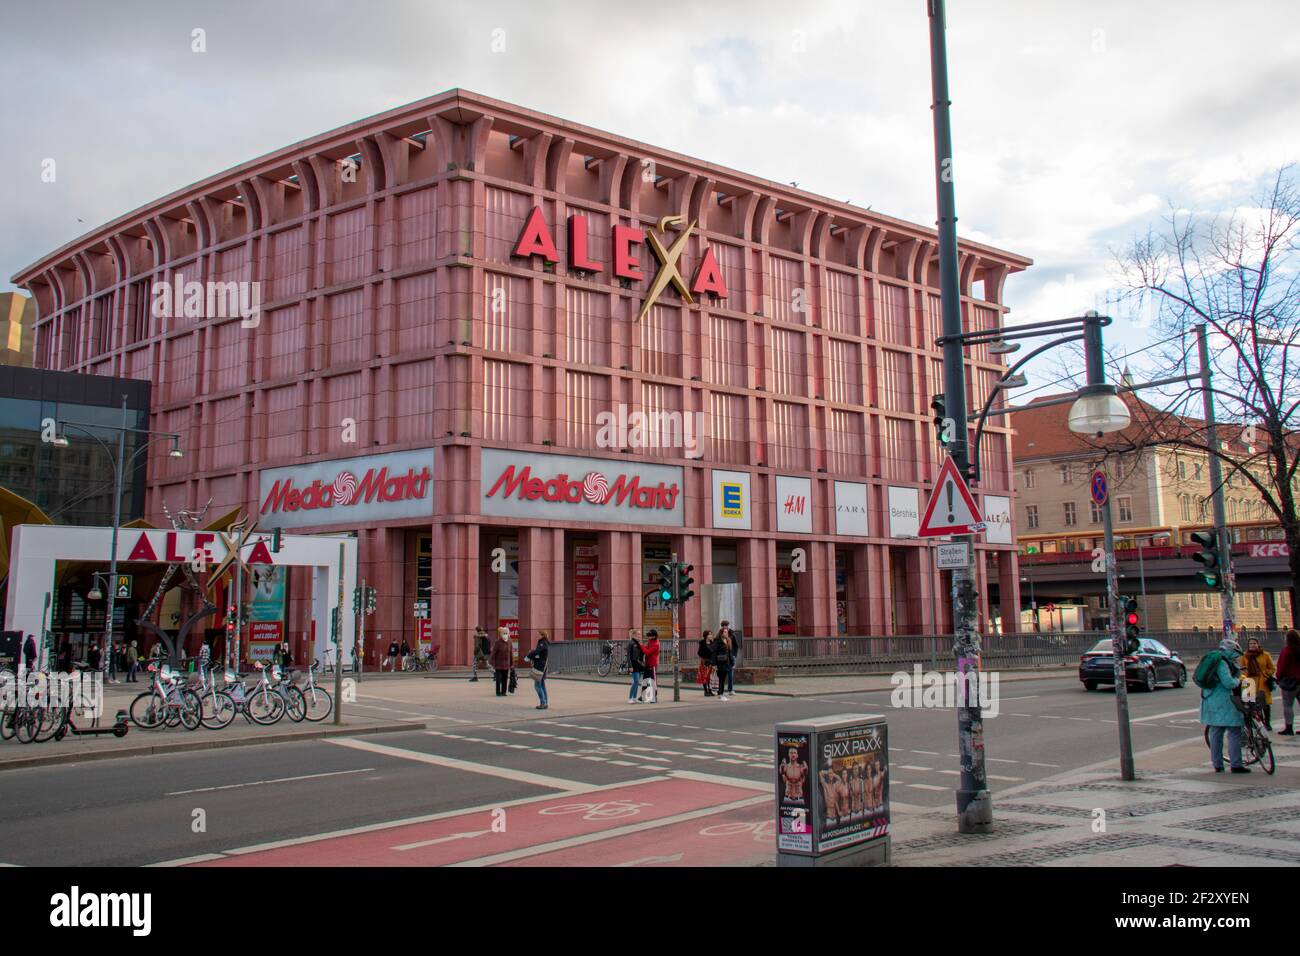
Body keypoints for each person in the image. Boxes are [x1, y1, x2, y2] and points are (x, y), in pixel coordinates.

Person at [1201, 637, 1249, 773]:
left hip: (1210, 700)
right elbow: (1228, 682)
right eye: (1235, 654)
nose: (1237, 657)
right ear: (1230, 651)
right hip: (1223, 700)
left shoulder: (1215, 659)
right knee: (1234, 731)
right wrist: (1237, 680)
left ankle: (1217, 764)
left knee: (1216, 733)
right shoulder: (1222, 662)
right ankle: (1236, 764)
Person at [1238, 636, 1276, 730]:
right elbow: (1241, 669)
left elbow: (1272, 668)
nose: (1252, 645)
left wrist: (1266, 675)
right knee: (1252, 704)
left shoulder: (1265, 655)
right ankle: (1260, 722)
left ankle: (1267, 722)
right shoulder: (1244, 656)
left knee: (1265, 703)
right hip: (1249, 681)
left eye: (1254, 643)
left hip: (1262, 680)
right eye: (1251, 644)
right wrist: (1243, 678)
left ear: (1258, 644)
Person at [1278, 629, 1300, 735]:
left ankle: (1289, 727)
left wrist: (1278, 678)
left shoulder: (1287, 650)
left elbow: (1282, 666)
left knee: (1288, 705)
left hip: (1290, 682)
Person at [525, 631, 550, 710]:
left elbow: (536, 652)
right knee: (542, 685)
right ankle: (545, 702)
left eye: (538, 634)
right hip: (542, 666)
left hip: (540, 667)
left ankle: (543, 703)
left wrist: (528, 656)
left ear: (542, 635)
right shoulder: (544, 642)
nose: (537, 636)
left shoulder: (542, 643)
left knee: (537, 686)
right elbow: (537, 653)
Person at [720, 620, 743, 695]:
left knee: (730, 673)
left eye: (726, 625)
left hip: (731, 656)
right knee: (722, 673)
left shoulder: (732, 634)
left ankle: (730, 689)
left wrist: (734, 655)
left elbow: (736, 646)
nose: (724, 627)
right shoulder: (719, 634)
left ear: (728, 626)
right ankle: (720, 690)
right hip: (723, 656)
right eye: (723, 625)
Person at [711, 630, 734, 701]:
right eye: (724, 632)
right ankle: (721, 694)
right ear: (721, 633)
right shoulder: (718, 641)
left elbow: (730, 652)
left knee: (723, 679)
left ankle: (721, 694)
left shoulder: (728, 640)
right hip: (720, 663)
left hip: (727, 663)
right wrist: (714, 664)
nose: (726, 633)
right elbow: (714, 652)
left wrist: (732, 662)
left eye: (727, 632)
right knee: (721, 679)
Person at [490, 626, 513, 696]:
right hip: (498, 664)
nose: (505, 634)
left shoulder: (509, 642)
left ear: (508, 634)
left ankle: (504, 692)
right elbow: (494, 653)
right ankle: (498, 692)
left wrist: (512, 664)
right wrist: (492, 663)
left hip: (506, 664)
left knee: (505, 679)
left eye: (506, 633)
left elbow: (511, 653)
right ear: (501, 634)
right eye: (504, 633)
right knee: (498, 679)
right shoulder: (498, 642)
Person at [626, 630, 646, 704]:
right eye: (637, 634)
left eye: (640, 634)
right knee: (636, 681)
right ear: (633, 634)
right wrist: (630, 666)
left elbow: (641, 654)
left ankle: (634, 698)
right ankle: (630, 698)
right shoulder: (631, 643)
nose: (639, 635)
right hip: (633, 664)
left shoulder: (638, 643)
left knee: (637, 682)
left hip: (639, 664)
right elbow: (628, 656)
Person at [641, 629, 661, 703]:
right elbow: (646, 648)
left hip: (652, 664)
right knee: (645, 681)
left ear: (654, 636)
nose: (648, 637)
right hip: (647, 663)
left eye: (650, 636)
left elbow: (647, 652)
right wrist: (644, 647)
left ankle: (654, 697)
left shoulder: (656, 644)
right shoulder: (650, 641)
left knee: (653, 681)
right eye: (648, 636)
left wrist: (641, 646)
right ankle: (644, 696)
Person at [697, 629, 715, 697]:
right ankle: (705, 691)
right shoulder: (702, 643)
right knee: (704, 676)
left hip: (711, 662)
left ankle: (710, 690)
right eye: (709, 634)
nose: (711, 635)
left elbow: (714, 652)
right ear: (706, 636)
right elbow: (699, 653)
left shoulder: (712, 643)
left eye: (711, 634)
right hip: (704, 662)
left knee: (710, 677)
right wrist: (704, 659)